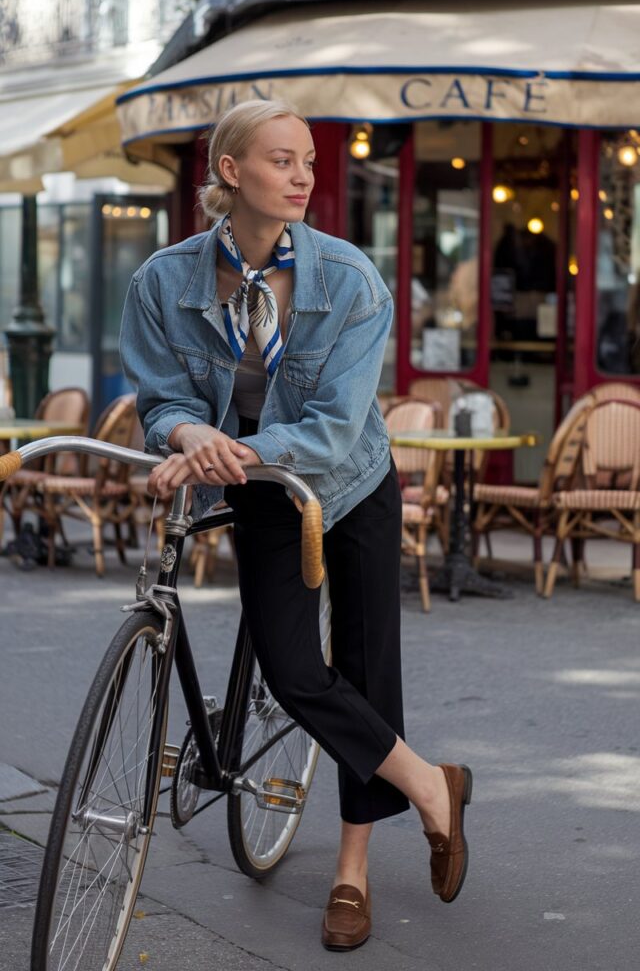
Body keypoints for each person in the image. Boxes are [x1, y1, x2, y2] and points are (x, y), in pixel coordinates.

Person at [120, 99, 472, 952]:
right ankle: (433, 784)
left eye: (309, 161)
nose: (306, 176)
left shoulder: (350, 281)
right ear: (231, 173)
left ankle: (351, 872)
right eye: (283, 161)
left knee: (362, 664)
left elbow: (333, 429)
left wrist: (229, 450)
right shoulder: (163, 281)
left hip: (348, 483)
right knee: (292, 667)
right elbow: (158, 395)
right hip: (259, 490)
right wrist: (185, 430)